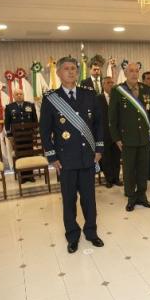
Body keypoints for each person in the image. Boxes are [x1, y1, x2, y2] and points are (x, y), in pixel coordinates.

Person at [40, 56, 104, 253]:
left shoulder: (89, 94)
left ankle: (91, 232)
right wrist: (52, 157)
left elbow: (99, 124)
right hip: (65, 160)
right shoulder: (51, 98)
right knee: (69, 201)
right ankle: (72, 236)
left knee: (89, 199)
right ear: (58, 73)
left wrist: (99, 149)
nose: (70, 71)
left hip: (87, 157)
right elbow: (44, 130)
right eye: (66, 69)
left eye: (73, 69)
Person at [109, 63, 150, 212]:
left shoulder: (147, 89)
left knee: (143, 169)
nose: (134, 74)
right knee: (129, 170)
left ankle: (142, 196)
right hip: (127, 139)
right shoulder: (118, 91)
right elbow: (112, 118)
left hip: (144, 138)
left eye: (136, 71)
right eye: (131, 71)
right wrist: (117, 139)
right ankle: (131, 197)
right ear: (125, 72)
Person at [4, 88, 38, 182]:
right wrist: (9, 135)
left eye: (21, 94)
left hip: (28, 135)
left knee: (29, 154)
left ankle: (30, 175)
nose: (19, 95)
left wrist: (35, 133)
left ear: (23, 95)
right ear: (14, 96)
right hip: (17, 136)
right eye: (17, 94)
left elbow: (35, 120)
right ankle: (22, 176)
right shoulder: (9, 107)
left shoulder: (30, 105)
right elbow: (7, 123)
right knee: (20, 155)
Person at [98, 76, 122, 188]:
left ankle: (116, 178)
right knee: (106, 158)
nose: (111, 85)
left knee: (116, 157)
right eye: (108, 83)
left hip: (117, 134)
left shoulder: (118, 98)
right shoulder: (98, 98)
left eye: (112, 83)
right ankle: (109, 179)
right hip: (104, 134)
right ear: (103, 85)